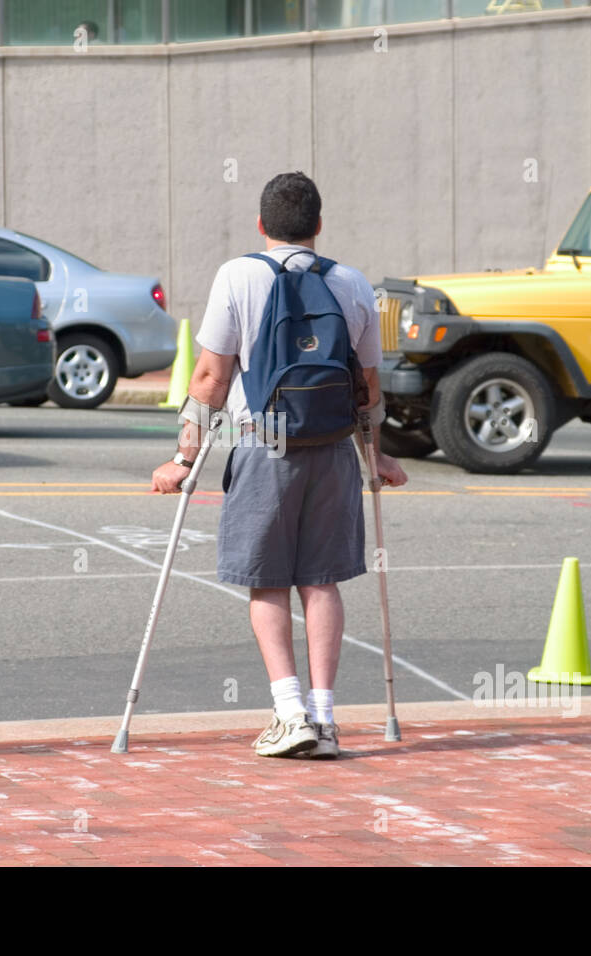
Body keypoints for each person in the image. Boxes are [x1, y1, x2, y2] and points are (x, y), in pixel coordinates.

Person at [150, 172, 408, 759]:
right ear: (318, 225)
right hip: (334, 446)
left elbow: (211, 378)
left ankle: (288, 713)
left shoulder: (237, 275)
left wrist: (182, 458)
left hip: (262, 443)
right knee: (321, 579)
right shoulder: (350, 282)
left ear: (261, 224)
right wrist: (378, 456)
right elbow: (368, 388)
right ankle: (324, 718)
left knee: (267, 578)